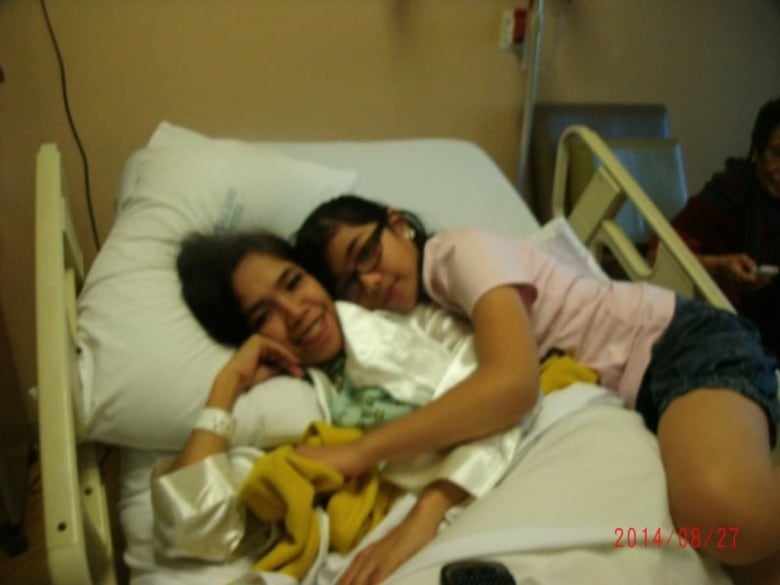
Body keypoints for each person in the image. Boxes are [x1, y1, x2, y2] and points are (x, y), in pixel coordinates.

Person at [293, 194, 780, 583]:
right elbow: (481, 412)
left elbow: (510, 386)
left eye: (366, 253)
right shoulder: (429, 314)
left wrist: (362, 452)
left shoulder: (460, 252)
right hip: (638, 397)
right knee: (746, 563)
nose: (371, 282)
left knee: (726, 521)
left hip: (675, 346)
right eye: (351, 285)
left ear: (398, 223)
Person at [159, 230, 547, 583]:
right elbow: (198, 528)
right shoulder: (291, 408)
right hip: (430, 529)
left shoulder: (415, 323)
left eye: (293, 284)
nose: (295, 313)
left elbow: (505, 395)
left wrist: (431, 505)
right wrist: (227, 384)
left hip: (519, 460)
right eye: (265, 315)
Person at [660, 96, 780, 357]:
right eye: (777, 154)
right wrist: (721, 267)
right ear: (757, 152)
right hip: (732, 335)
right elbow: (662, 255)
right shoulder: (733, 191)